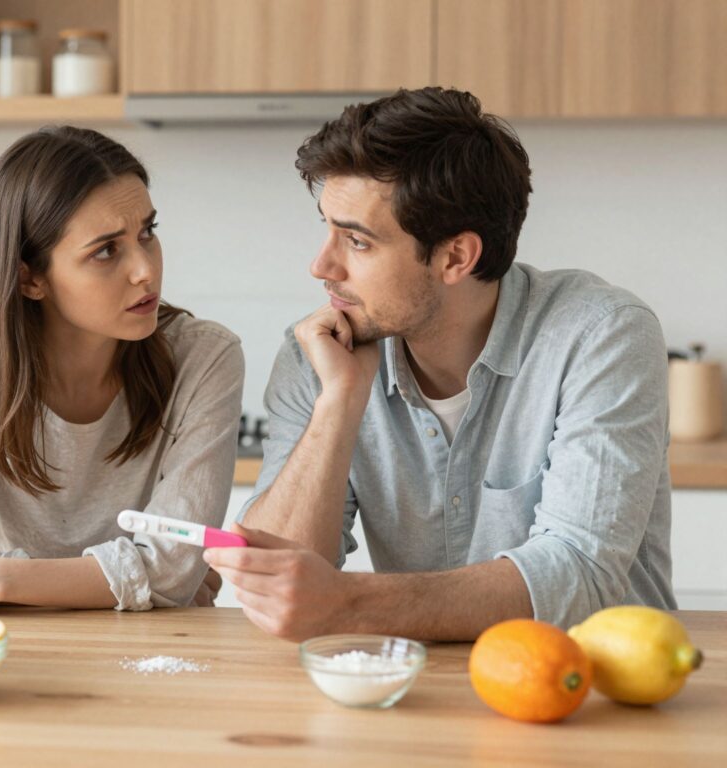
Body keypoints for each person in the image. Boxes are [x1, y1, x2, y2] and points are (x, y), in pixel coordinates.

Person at [205, 87, 675, 642]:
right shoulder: (318, 355)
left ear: (456, 257)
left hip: (594, 691)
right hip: (417, 691)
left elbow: (577, 572)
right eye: (326, 228)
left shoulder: (601, 335)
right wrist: (340, 403)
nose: (320, 265)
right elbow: (270, 577)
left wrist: (350, 603)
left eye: (356, 241)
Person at [0, 126, 243, 614]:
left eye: (147, 232)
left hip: (156, 652)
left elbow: (174, 571)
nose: (145, 269)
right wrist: (139, 581)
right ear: (29, 277)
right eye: (106, 250)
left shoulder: (205, 357)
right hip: (14, 653)